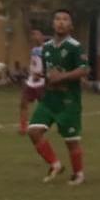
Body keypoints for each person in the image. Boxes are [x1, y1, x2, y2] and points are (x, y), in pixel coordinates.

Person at [25, 11, 88, 185]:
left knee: (71, 142)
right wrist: (43, 76)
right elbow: (49, 73)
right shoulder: (46, 48)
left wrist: (63, 77)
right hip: (49, 99)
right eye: (57, 19)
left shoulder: (75, 46)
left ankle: (78, 174)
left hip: (69, 101)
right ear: (53, 24)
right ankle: (55, 164)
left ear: (71, 26)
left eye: (65, 19)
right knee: (34, 131)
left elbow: (83, 69)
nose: (61, 22)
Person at [19, 29, 46, 134]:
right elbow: (34, 64)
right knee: (23, 102)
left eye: (37, 34)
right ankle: (23, 126)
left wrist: (40, 75)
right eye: (33, 35)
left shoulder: (46, 49)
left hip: (41, 82)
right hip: (31, 81)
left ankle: (45, 124)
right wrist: (30, 72)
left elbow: (49, 66)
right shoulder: (34, 49)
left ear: (41, 37)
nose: (34, 37)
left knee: (44, 106)